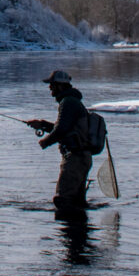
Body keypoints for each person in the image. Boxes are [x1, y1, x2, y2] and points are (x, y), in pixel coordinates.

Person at [25, 70, 106, 211]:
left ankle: (68, 225)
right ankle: (79, 225)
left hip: (75, 158)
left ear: (60, 85)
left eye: (52, 85)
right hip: (81, 157)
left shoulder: (68, 102)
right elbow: (66, 129)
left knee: (63, 201)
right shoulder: (72, 101)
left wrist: (45, 142)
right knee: (77, 203)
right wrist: (42, 124)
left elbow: (61, 129)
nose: (50, 87)